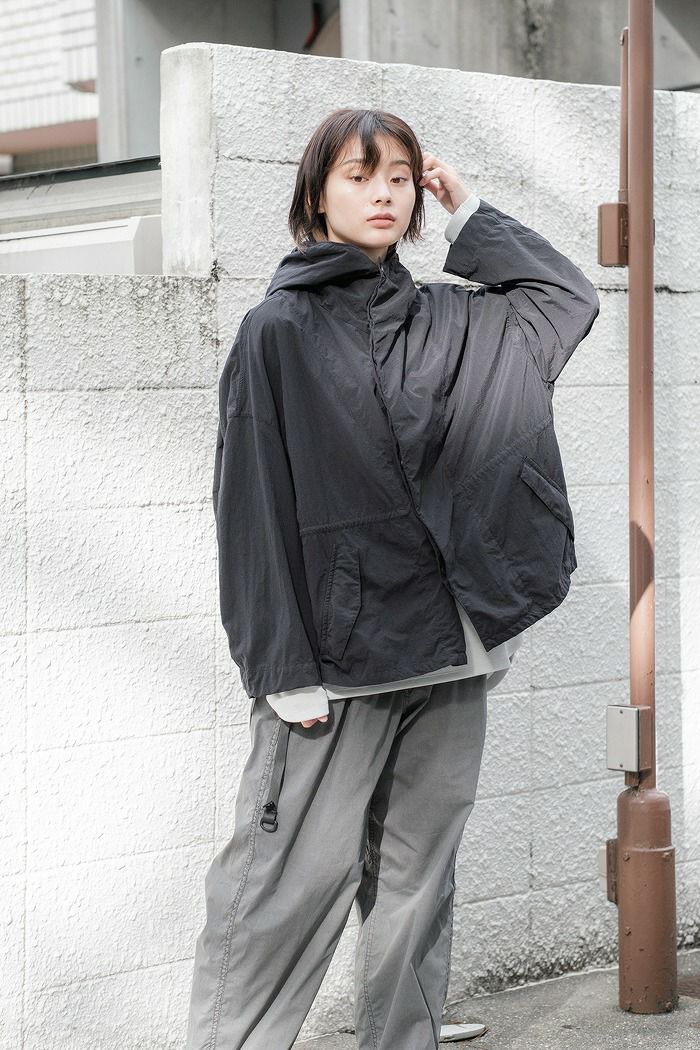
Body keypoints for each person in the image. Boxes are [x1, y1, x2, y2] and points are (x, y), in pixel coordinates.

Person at [185, 108, 600, 1050]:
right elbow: (250, 504)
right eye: (358, 174)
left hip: (454, 649)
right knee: (284, 886)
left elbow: (565, 297)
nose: (383, 192)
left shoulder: (454, 316)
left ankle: (404, 1038)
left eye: (401, 177)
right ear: (316, 193)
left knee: (419, 879)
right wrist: (279, 667)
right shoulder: (277, 330)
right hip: (338, 663)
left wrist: (470, 211)